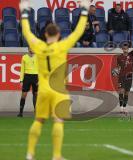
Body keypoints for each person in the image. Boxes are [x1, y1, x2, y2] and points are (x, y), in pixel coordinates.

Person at [20, 0, 90, 159]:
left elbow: (27, 32)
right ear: (58, 35)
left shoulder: (39, 46)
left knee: (38, 120)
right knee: (58, 121)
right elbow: (78, 31)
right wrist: (84, 10)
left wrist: (24, 13)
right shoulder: (62, 46)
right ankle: (56, 156)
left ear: (45, 34)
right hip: (59, 90)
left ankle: (30, 154)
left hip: (43, 89)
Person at [116, 31, 133, 114]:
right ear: (122, 49)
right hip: (122, 76)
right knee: (121, 91)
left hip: (129, 76)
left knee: (127, 92)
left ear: (128, 49)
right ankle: (121, 107)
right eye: (124, 48)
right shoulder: (119, 57)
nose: (126, 49)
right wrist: (116, 72)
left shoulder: (131, 55)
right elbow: (118, 67)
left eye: (127, 48)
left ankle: (125, 107)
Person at [17, 48, 38, 117]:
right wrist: (21, 81)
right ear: (28, 49)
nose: (32, 50)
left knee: (36, 94)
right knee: (24, 94)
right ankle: (20, 112)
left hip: (36, 77)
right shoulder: (24, 57)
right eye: (31, 48)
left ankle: (36, 111)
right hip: (27, 77)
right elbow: (22, 69)